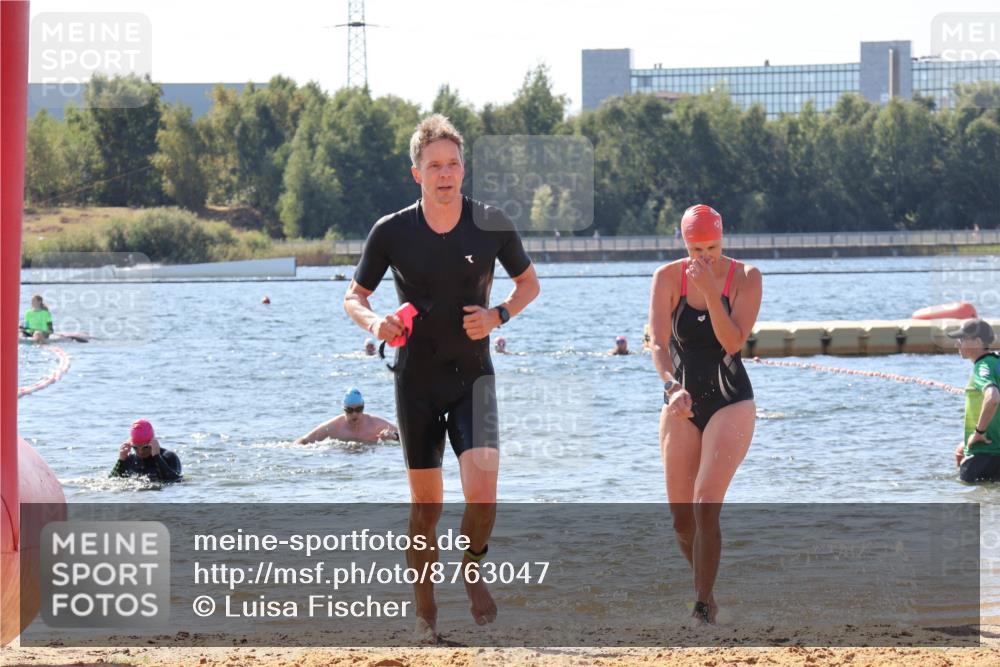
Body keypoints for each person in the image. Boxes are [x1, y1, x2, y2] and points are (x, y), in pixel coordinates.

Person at [343, 114, 540, 642]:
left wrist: (498, 315)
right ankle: (426, 613)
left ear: (463, 169)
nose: (446, 174)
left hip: (474, 377)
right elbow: (353, 297)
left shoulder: (492, 223)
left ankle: (472, 566)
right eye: (435, 166)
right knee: (425, 509)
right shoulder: (391, 231)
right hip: (417, 382)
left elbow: (529, 285)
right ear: (417, 174)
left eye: (453, 164)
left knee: (484, 496)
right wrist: (376, 322)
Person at [648, 204, 762, 625]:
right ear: (684, 243)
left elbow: (732, 342)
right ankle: (708, 595)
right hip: (682, 401)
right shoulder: (667, 278)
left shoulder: (746, 278)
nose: (705, 257)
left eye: (712, 247)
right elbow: (659, 344)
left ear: (723, 238)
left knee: (705, 502)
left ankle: (700, 607)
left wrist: (713, 293)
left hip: (731, 401)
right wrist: (669, 385)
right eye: (697, 249)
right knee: (681, 519)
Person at [948, 318, 1000, 482]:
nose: (957, 344)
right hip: (995, 451)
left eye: (962, 340)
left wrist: (978, 433)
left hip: (984, 453)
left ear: (977, 342)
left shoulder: (982, 366)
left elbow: (992, 398)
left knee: (967, 499)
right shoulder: (996, 362)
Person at [295, 388, 399, 444]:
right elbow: (305, 440)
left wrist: (394, 437)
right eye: (350, 410)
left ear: (363, 407)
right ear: (344, 410)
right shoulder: (334, 426)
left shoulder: (376, 424)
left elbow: (408, 437)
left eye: (358, 410)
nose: (354, 414)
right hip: (344, 458)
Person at [110, 419, 183, 482]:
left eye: (145, 447)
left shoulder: (169, 457)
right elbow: (111, 481)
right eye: (135, 447)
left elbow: (174, 480)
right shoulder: (130, 460)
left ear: (152, 443)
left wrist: (157, 457)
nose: (140, 451)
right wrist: (121, 461)